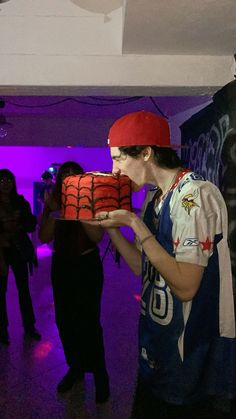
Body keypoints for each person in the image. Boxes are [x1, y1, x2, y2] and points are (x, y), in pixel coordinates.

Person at [90, 111, 236, 418]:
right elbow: (141, 267)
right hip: (156, 347)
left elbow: (185, 288)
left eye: (118, 159)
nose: (114, 170)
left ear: (146, 152)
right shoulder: (154, 197)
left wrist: (133, 223)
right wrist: (113, 228)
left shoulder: (194, 196)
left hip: (188, 354)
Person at [38, 161, 110, 404]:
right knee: (65, 321)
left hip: (87, 265)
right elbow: (43, 237)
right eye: (64, 176)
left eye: (73, 176)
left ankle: (100, 375)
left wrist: (79, 211)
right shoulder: (53, 202)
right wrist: (55, 213)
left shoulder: (92, 201)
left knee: (89, 322)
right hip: (62, 267)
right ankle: (76, 367)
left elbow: (96, 237)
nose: (68, 180)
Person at [0, 169, 41, 345]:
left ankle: (29, 326)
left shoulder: (20, 202)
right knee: (0, 292)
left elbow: (31, 224)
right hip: (1, 250)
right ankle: (2, 330)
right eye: (2, 180)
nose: (6, 183)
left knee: (23, 289)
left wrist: (20, 222)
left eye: (8, 180)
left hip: (18, 249)